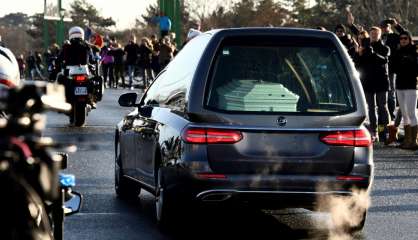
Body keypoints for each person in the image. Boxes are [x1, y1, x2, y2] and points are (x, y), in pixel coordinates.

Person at [353, 27, 391, 142]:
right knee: (371, 108)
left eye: (376, 34)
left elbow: (384, 60)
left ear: (380, 35)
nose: (374, 35)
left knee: (382, 107)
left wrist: (372, 52)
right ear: (369, 35)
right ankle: (374, 132)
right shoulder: (364, 47)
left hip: (381, 82)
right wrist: (358, 54)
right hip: (368, 82)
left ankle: (384, 131)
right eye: (372, 34)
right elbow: (357, 65)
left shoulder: (385, 48)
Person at [392, 31, 418, 149]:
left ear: (409, 39)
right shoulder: (397, 52)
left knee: (412, 113)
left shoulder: (414, 51)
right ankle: (407, 141)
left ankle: (414, 141)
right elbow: (393, 67)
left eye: (405, 38)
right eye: (401, 38)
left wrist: (408, 61)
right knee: (405, 114)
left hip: (411, 86)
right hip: (400, 85)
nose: (403, 40)